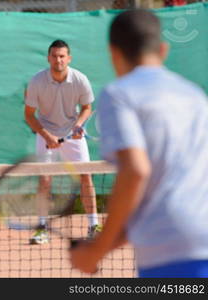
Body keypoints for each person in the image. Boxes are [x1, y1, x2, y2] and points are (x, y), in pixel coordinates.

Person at [70, 9, 208, 277]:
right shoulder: (196, 97)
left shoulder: (119, 94)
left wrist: (97, 250)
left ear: (114, 53)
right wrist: (102, 246)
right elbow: (160, 198)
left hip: (166, 256)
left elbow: (136, 172)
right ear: (163, 50)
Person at [24, 39, 101, 244]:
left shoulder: (80, 79)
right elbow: (29, 115)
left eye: (62, 56)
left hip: (73, 134)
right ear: (48, 58)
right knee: (45, 180)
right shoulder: (36, 81)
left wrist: (79, 125)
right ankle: (42, 228)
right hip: (45, 132)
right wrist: (46, 135)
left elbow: (86, 108)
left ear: (69, 58)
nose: (58, 60)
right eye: (54, 56)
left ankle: (94, 225)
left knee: (86, 176)